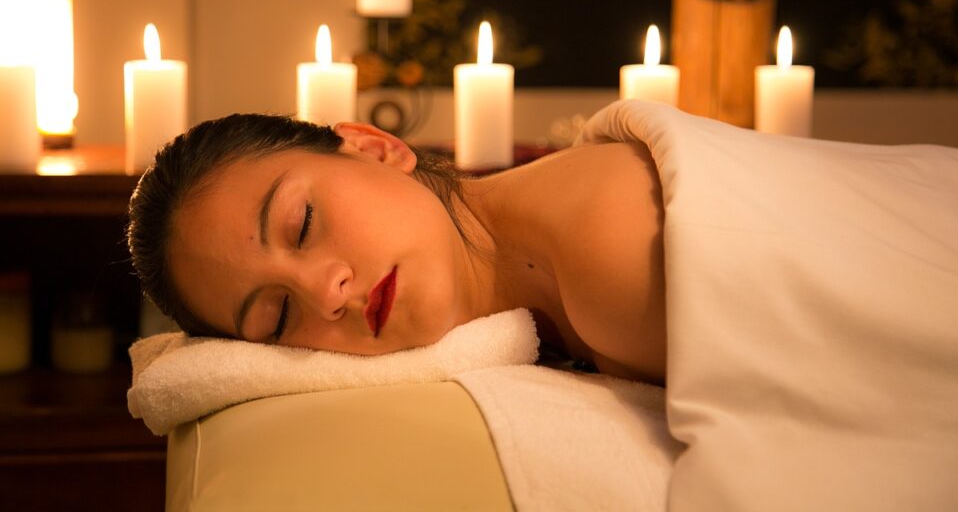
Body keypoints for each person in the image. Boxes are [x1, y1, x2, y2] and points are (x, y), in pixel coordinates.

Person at [127, 113, 667, 385]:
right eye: (279, 315)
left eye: (303, 224)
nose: (325, 291)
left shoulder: (608, 247)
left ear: (375, 148)